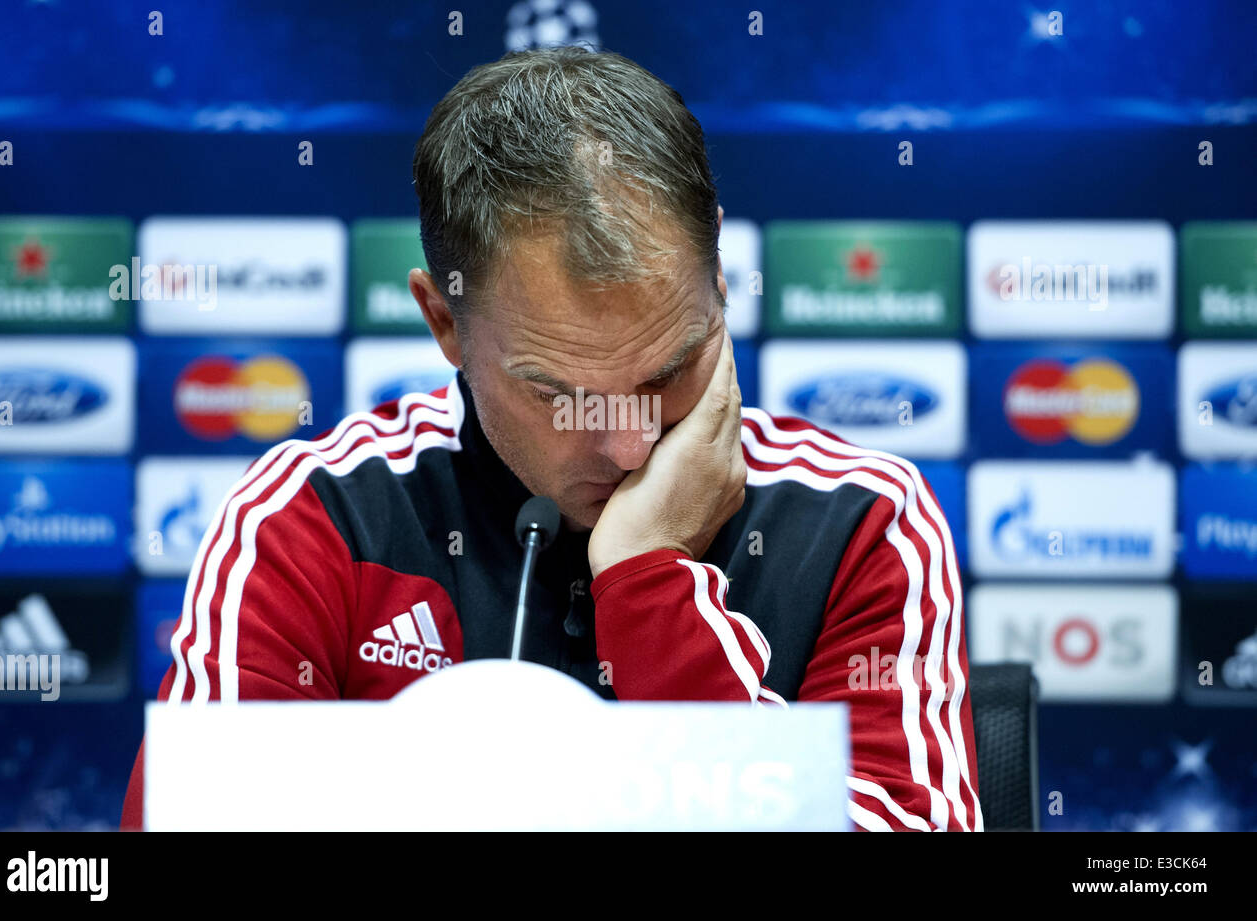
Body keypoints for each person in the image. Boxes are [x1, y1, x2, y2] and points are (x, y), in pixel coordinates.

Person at [121, 46, 979, 832]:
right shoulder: (315, 519)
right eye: (559, 393)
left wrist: (650, 584)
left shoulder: (864, 523)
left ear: (718, 287)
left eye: (668, 372)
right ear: (442, 321)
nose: (629, 446)